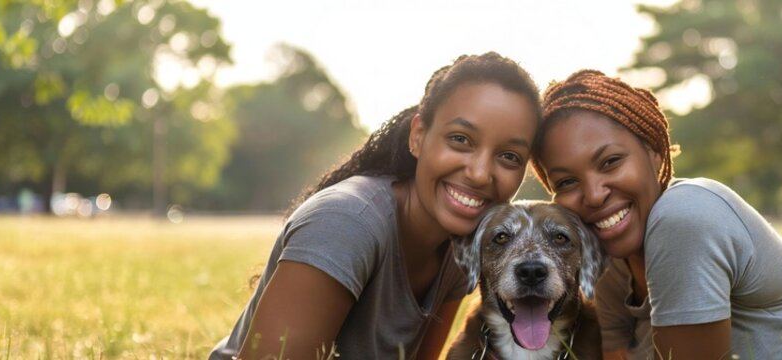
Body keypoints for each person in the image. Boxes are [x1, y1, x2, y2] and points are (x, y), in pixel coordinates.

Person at [531, 70, 782, 360]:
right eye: (566, 182)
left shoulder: (682, 217)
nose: (593, 194)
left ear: (655, 153)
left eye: (611, 161)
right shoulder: (609, 260)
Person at [209, 52, 543, 360]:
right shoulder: (344, 223)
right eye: (460, 139)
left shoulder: (460, 246)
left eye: (509, 156)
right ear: (418, 136)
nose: (480, 173)